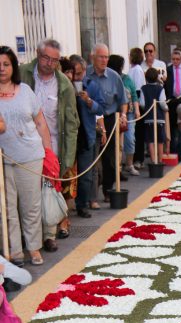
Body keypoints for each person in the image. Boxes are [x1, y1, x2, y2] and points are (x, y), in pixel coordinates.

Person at [19, 38, 79, 250]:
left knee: (49, 191)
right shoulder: (22, 74)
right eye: (46, 58)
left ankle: (48, 235)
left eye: (54, 60)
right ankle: (30, 237)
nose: (49, 63)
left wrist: (68, 157)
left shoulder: (64, 84)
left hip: (52, 147)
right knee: (28, 193)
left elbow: (71, 123)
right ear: (38, 54)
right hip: (24, 145)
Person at [0, 46, 51, 266]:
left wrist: (48, 152)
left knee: (31, 205)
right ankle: (14, 251)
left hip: (30, 156)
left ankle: (34, 248)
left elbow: (40, 122)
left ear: (13, 66)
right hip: (3, 160)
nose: (2, 69)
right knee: (6, 207)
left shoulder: (25, 91)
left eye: (6, 64)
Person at [85, 44, 127, 202]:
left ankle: (108, 189)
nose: (104, 60)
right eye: (101, 57)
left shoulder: (114, 77)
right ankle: (91, 194)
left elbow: (123, 100)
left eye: (106, 57)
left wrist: (123, 115)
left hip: (109, 119)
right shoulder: (86, 74)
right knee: (91, 157)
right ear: (93, 57)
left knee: (110, 158)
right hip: (89, 119)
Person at [69, 55, 104, 218]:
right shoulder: (64, 85)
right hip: (68, 136)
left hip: (86, 134)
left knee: (85, 175)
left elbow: (101, 108)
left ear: (84, 71)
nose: (75, 77)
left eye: (78, 73)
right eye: (72, 73)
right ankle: (65, 206)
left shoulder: (92, 85)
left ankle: (82, 204)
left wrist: (88, 101)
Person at [108, 54, 140, 176]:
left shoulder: (127, 79)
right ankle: (118, 167)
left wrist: (137, 110)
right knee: (117, 143)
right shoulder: (109, 78)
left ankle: (129, 164)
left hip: (129, 113)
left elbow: (134, 95)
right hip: (113, 113)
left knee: (130, 139)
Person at [140, 67, 168, 164]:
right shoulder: (160, 88)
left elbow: (142, 104)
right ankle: (160, 160)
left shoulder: (143, 88)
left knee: (150, 140)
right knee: (160, 140)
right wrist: (166, 109)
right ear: (157, 77)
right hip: (159, 118)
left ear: (146, 78)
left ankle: (153, 160)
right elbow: (162, 103)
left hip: (148, 118)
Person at [128, 47, 146, 169]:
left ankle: (138, 158)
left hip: (137, 104)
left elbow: (138, 89)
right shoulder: (133, 69)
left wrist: (136, 107)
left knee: (138, 133)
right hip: (134, 103)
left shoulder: (137, 70)